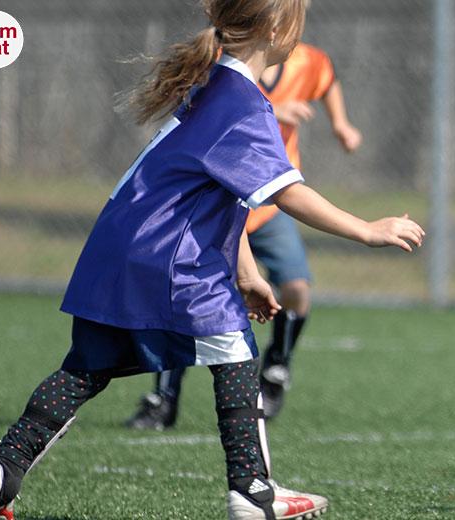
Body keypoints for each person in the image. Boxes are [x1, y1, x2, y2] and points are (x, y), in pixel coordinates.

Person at [0, 0, 424, 518]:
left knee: (86, 369)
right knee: (236, 351)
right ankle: (252, 492)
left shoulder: (209, 92)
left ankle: (1, 470)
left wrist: (246, 273)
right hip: (169, 260)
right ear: (275, 29)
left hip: (117, 248)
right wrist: (366, 229)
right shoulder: (244, 103)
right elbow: (285, 192)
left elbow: (221, 194)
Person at [126, 41, 364, 429]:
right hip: (218, 207)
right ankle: (163, 399)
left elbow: (327, 80)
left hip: (265, 208)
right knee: (185, 301)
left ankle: (275, 370)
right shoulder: (224, 66)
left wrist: (341, 123)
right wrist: (272, 109)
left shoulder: (307, 60)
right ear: (270, 26)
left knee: (297, 286)